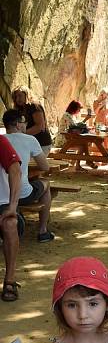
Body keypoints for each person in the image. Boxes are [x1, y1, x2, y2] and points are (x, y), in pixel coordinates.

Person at [3, 109, 54, 242]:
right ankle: (43, 230)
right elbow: (45, 167)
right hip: (22, 194)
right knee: (46, 184)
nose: (26, 125)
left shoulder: (2, 140)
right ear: (18, 124)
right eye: (25, 122)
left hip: (2, 196)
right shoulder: (30, 140)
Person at [0, 135, 21, 302]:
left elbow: (15, 170)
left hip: (2, 203)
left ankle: (10, 280)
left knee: (10, 224)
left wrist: (12, 206)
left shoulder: (1, 141)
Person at [55, 100, 96, 170]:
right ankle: (87, 161)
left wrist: (86, 120)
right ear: (74, 108)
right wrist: (85, 121)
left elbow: (76, 126)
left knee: (84, 144)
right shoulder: (66, 115)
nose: (79, 111)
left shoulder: (71, 116)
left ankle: (81, 164)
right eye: (79, 109)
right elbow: (74, 127)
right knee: (84, 143)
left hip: (69, 138)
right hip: (63, 138)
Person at [12, 86, 53, 156]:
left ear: (26, 95)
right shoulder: (20, 109)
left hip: (41, 144)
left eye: (19, 96)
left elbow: (39, 126)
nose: (17, 99)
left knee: (34, 166)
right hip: (29, 143)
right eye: (15, 97)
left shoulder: (34, 106)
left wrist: (22, 135)